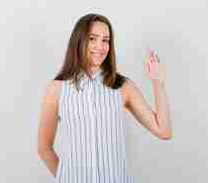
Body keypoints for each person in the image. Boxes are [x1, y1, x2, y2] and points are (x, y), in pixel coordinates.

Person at [37, 13, 173, 183]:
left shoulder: (122, 86)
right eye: (92, 39)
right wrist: (67, 177)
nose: (100, 47)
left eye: (106, 40)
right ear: (79, 41)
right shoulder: (57, 89)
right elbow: (44, 148)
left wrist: (158, 83)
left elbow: (164, 131)